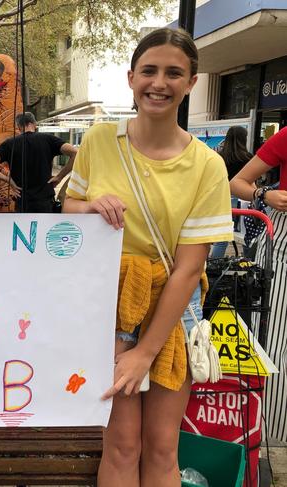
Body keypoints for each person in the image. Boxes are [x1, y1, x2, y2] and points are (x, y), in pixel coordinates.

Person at [63, 28, 233, 486]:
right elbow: (69, 213)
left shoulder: (207, 165)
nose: (159, 83)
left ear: (192, 82)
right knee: (120, 445)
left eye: (173, 73)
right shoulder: (100, 141)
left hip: (171, 314)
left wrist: (145, 352)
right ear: (131, 77)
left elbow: (189, 268)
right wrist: (89, 205)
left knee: (161, 447)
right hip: (108, 308)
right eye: (149, 71)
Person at [230, 126, 287, 444]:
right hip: (283, 244)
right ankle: (268, 440)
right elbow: (236, 182)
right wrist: (265, 195)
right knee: (275, 343)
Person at [0, 112, 77, 212]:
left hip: (22, 200)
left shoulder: (10, 143)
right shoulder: (48, 139)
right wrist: (59, 176)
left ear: (18, 127)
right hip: (45, 200)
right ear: (34, 124)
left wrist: (8, 180)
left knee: (23, 227)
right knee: (45, 227)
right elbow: (75, 153)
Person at [210, 126, 253, 258]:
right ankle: (248, 265)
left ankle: (213, 268)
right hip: (243, 200)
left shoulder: (219, 157)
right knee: (247, 236)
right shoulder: (248, 158)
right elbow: (252, 181)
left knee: (221, 239)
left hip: (222, 198)